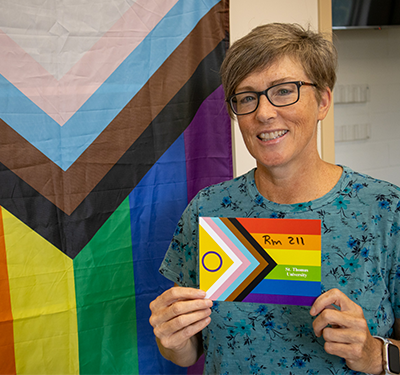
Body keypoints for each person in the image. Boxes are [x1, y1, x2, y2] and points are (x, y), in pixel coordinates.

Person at [149, 23, 400, 374]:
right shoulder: (208, 210)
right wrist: (170, 339)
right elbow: (189, 352)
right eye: (247, 97)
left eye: (284, 91)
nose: (264, 113)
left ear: (323, 100)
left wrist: (376, 354)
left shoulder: (386, 211)